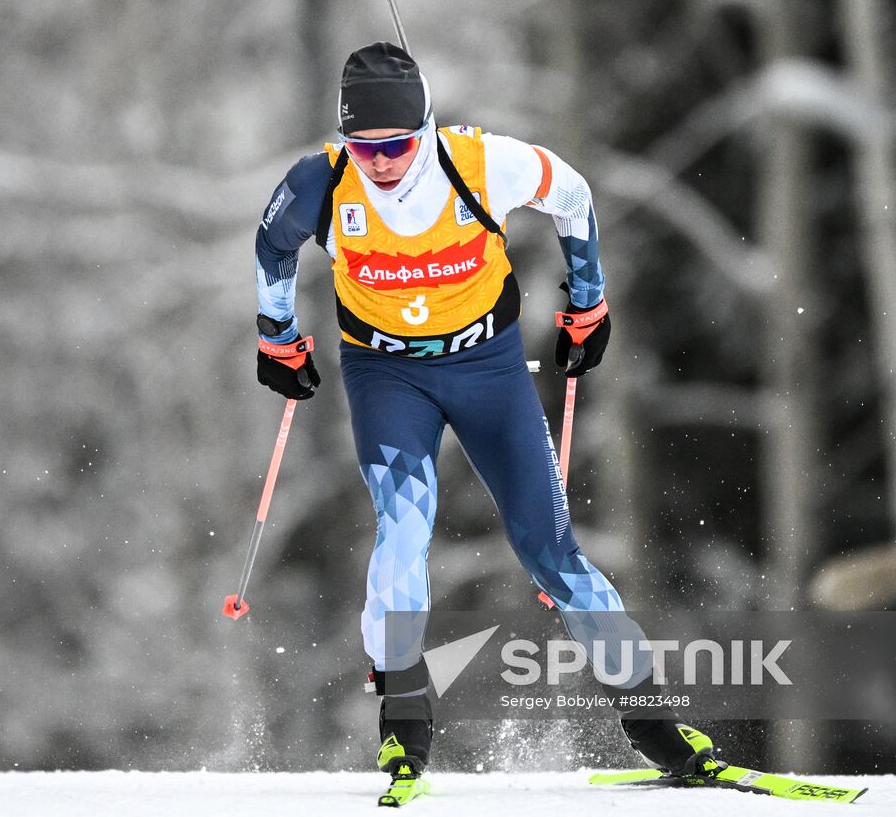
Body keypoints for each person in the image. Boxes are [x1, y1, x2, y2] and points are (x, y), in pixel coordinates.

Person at [252, 43, 712, 795]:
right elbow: (272, 242)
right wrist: (276, 334)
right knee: (403, 527)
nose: (382, 163)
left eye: (397, 145)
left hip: (487, 370)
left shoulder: (479, 163)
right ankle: (403, 725)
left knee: (549, 547)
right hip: (386, 373)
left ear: (425, 128)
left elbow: (574, 193)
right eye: (365, 146)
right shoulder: (323, 182)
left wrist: (588, 298)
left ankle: (654, 719)